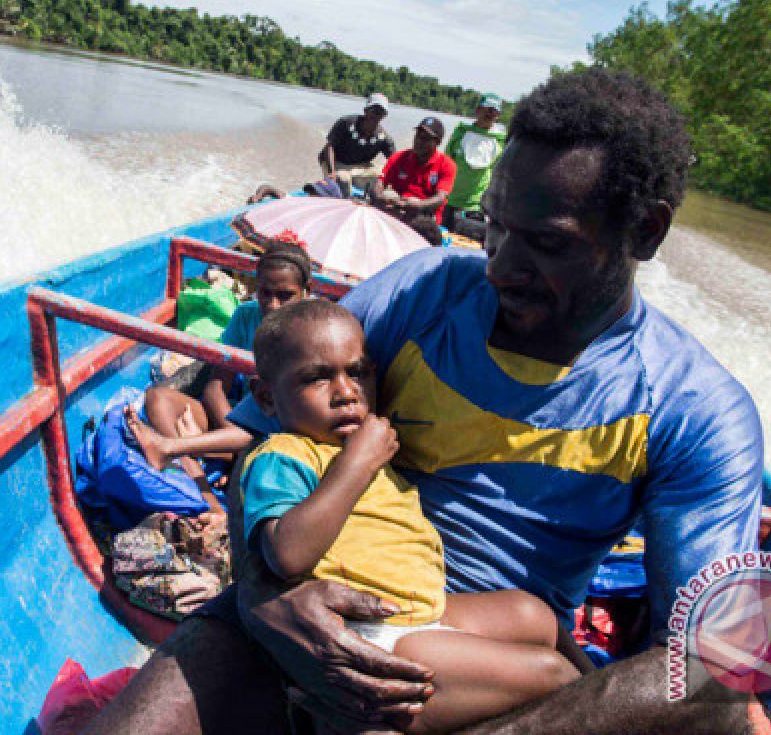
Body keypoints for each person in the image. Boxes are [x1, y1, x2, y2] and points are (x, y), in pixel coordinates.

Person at [84, 68, 764, 735]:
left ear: (645, 231)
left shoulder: (694, 410)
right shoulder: (425, 289)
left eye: (547, 244)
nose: (498, 265)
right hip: (309, 603)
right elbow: (264, 444)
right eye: (494, 226)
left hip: (496, 678)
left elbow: (702, 665)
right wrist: (266, 598)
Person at [243, 298, 579, 733]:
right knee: (554, 675)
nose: (346, 392)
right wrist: (356, 464)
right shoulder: (284, 455)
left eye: (358, 372)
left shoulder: (366, 452)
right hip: (366, 640)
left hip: (416, 612)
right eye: (316, 378)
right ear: (267, 398)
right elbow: (286, 553)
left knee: (533, 615)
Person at [127, 240, 312, 473]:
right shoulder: (246, 315)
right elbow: (215, 388)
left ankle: (185, 449)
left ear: (307, 291)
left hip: (283, 430)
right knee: (158, 399)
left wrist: (230, 440)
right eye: (265, 293)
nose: (272, 305)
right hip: (240, 422)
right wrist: (231, 433)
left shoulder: (316, 330)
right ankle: (201, 481)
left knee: (269, 444)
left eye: (285, 296)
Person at [369, 117, 458, 226]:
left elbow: (440, 198)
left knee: (414, 207)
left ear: (438, 142)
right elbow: (380, 182)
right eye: (417, 136)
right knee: (382, 197)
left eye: (425, 138)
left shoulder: (447, 165)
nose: (419, 141)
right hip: (398, 206)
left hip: (425, 214)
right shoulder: (398, 157)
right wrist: (380, 196)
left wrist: (417, 205)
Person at [444, 94, 508, 241]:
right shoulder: (460, 133)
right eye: (487, 109)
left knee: (466, 246)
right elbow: (446, 161)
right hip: (449, 200)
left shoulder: (501, 142)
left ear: (498, 115)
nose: (489, 114)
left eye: (494, 111)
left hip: (475, 206)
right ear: (477, 110)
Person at [319, 93, 396, 197]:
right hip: (335, 161)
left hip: (360, 166)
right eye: (373, 111)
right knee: (342, 179)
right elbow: (329, 147)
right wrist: (331, 172)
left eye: (380, 112)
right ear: (365, 110)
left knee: (381, 180)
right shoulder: (345, 123)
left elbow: (395, 162)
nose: (376, 116)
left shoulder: (384, 138)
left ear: (384, 115)